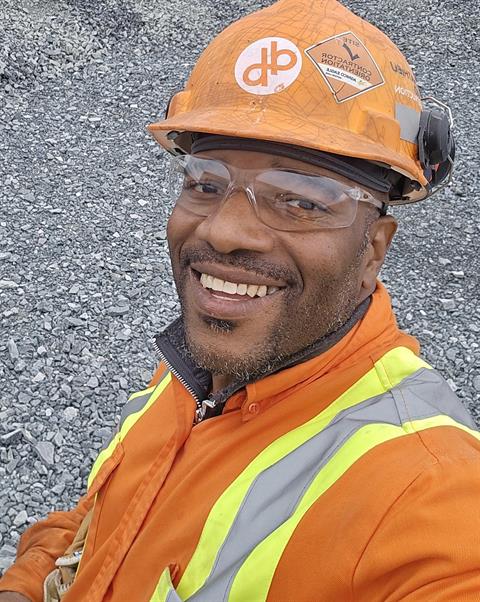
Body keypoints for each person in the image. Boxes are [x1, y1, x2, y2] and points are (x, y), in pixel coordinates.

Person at [1, 0, 479, 600]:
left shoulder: (427, 490)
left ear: (373, 249)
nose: (224, 231)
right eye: (206, 183)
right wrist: (28, 583)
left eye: (301, 200)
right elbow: (100, 524)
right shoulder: (205, 364)